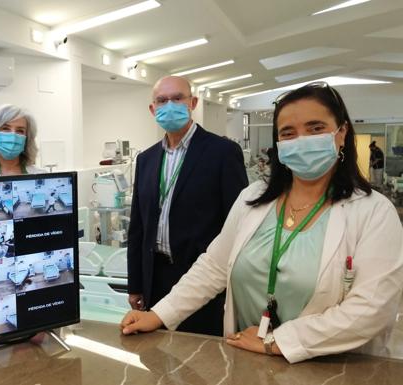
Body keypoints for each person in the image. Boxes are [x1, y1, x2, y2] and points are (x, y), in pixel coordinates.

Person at [120, 82, 403, 364]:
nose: (301, 140)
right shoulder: (254, 199)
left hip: (326, 367)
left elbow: (372, 309)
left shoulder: (373, 213)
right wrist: (159, 314)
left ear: (341, 133)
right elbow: (213, 266)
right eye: (288, 133)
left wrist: (279, 340)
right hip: (247, 360)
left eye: (315, 128)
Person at [127, 76, 248, 336]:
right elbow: (138, 227)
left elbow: (239, 223)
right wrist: (135, 284)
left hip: (201, 278)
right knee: (156, 352)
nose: (169, 105)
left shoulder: (222, 152)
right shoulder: (146, 159)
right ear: (153, 109)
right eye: (161, 100)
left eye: (177, 98)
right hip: (154, 276)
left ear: (192, 102)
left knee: (200, 358)